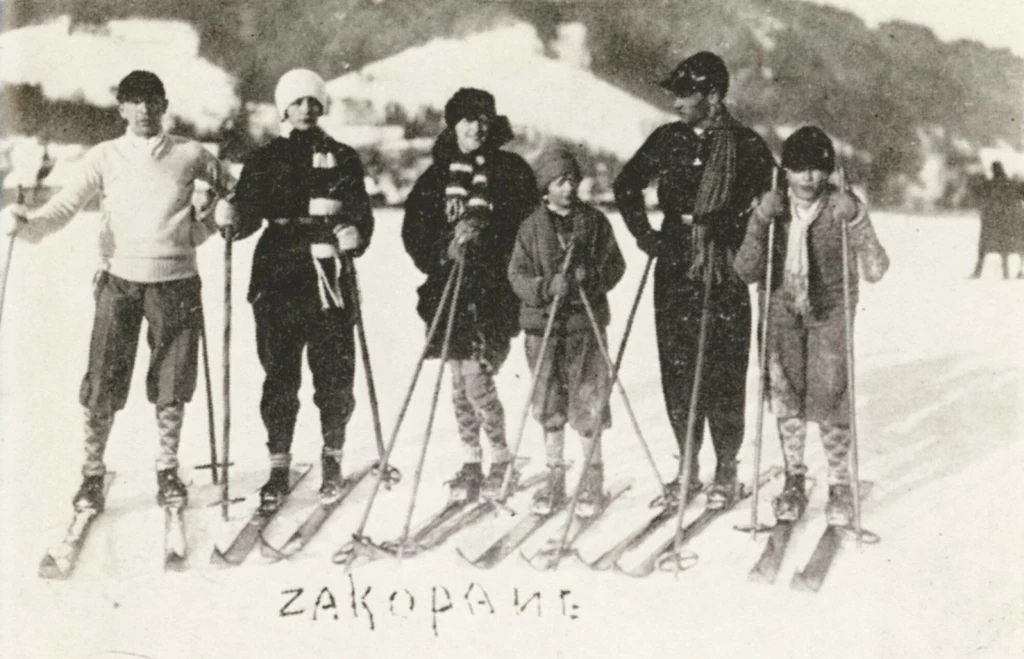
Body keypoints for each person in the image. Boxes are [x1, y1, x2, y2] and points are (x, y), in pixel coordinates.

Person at [0, 71, 234, 512]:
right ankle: (92, 474)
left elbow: (234, 197)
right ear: (121, 108)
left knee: (172, 380)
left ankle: (167, 469)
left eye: (151, 101)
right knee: (105, 377)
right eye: (133, 101)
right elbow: (64, 207)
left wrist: (205, 227)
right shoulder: (104, 157)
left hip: (176, 280)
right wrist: (27, 226)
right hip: (119, 280)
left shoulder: (191, 153)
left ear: (164, 105)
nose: (143, 110)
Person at [613, 52, 774, 509]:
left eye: (686, 94)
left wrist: (748, 239)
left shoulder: (746, 145)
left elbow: (772, 203)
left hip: (725, 262)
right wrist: (648, 237)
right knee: (679, 363)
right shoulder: (667, 139)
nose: (678, 102)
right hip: (676, 261)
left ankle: (726, 466)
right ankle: (686, 464)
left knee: (725, 363)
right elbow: (627, 186)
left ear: (713, 95)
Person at [214, 69, 374, 508]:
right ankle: (279, 466)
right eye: (297, 102)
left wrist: (355, 233)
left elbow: (361, 212)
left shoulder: (343, 157)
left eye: (313, 102)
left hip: (328, 277)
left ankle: (332, 457)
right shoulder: (266, 158)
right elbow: (247, 214)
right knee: (280, 375)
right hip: (279, 274)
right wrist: (230, 218)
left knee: (334, 374)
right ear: (283, 108)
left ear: (322, 107)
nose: (305, 109)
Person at [733, 126, 890, 525]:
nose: (809, 178)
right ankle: (794, 477)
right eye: (799, 169)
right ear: (785, 170)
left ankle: (839, 482)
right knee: (786, 395)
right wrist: (758, 221)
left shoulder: (842, 205)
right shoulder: (773, 207)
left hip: (830, 312)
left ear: (829, 171)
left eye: (818, 169)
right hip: (780, 311)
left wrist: (856, 219)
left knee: (832, 394)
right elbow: (746, 270)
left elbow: (876, 269)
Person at [402, 88, 537, 503]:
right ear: (453, 125)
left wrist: (485, 236)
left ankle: (500, 457)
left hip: (494, 291)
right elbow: (414, 233)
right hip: (450, 292)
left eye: (484, 118)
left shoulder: (511, 170)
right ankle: (470, 459)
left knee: (477, 378)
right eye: (468, 119)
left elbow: (529, 227)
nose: (477, 126)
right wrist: (446, 247)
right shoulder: (436, 177)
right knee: (460, 384)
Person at [508, 144, 625, 518]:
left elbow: (616, 265)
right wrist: (546, 287)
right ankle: (555, 477)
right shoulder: (530, 227)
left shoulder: (593, 222)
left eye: (572, 180)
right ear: (545, 187)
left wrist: (590, 279)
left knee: (588, 402)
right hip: (543, 330)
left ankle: (592, 479)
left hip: (584, 328)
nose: (568, 188)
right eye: (560, 182)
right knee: (548, 404)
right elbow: (517, 276)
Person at [969, 161, 1024, 280]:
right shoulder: (1012, 184)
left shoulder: (989, 185)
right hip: (1012, 226)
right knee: (1014, 246)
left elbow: (976, 191)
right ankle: (1018, 270)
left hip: (992, 226)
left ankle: (978, 271)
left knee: (984, 248)